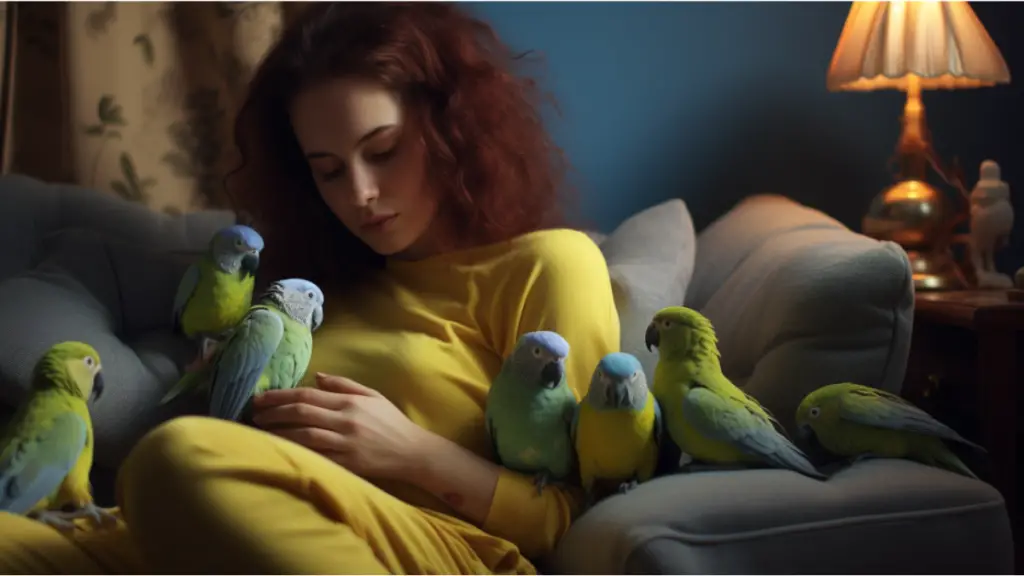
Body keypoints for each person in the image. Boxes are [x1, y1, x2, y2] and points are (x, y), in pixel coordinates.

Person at [0, 2, 620, 574]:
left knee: (175, 457)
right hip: (219, 524)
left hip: (431, 547)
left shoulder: (549, 265)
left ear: (449, 131)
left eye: (383, 150)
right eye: (327, 170)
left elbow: (580, 513)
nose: (359, 194)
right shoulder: (313, 290)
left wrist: (412, 453)